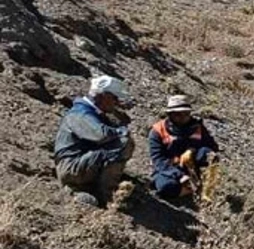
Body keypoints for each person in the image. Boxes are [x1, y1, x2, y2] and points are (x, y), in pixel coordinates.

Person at [53, 75, 134, 207]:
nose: (117, 102)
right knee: (123, 142)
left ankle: (86, 188)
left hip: (78, 164)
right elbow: (100, 135)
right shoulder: (80, 113)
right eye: (114, 98)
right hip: (71, 167)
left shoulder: (92, 113)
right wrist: (121, 131)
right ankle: (108, 196)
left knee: (119, 143)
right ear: (104, 96)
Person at [149, 95, 220, 199]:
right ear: (170, 114)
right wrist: (180, 176)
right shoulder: (157, 131)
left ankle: (207, 188)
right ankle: (189, 190)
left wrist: (193, 150)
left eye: (186, 113)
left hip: (192, 167)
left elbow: (213, 146)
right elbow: (158, 161)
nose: (183, 117)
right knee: (166, 186)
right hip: (168, 169)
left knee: (208, 154)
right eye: (178, 114)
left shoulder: (197, 127)